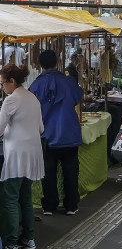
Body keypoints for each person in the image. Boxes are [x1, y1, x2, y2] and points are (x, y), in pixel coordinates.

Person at [29, 50, 83, 216]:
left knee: (48, 172)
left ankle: (49, 206)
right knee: (71, 171)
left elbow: (32, 109)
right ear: (58, 62)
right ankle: (71, 205)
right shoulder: (68, 82)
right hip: (69, 133)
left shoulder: (35, 85)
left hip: (47, 135)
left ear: (39, 64)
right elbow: (77, 98)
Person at [0, 64, 44, 249]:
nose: (2, 87)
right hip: (33, 153)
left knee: (10, 197)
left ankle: (10, 242)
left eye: (3, 83)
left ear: (12, 81)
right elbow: (41, 128)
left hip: (16, 155)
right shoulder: (32, 97)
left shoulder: (11, 100)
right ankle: (28, 238)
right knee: (25, 197)